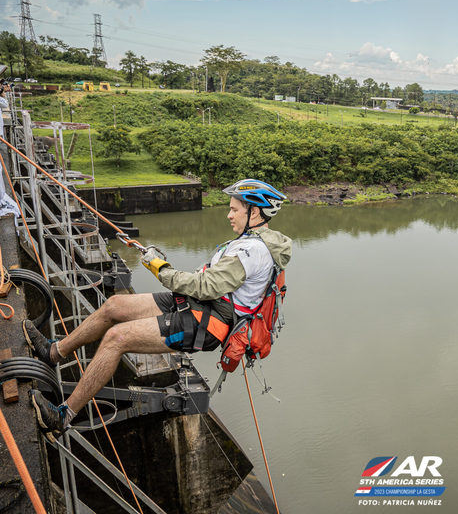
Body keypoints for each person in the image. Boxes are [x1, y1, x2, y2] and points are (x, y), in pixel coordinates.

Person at [27, 179, 292, 438]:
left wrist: (160, 268)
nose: (228, 215)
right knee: (114, 305)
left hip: (208, 322)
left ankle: (63, 416)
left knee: (116, 338)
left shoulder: (252, 250)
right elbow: (209, 283)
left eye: (234, 209)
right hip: (199, 305)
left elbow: (206, 286)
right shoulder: (249, 241)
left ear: (254, 212)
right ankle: (54, 352)